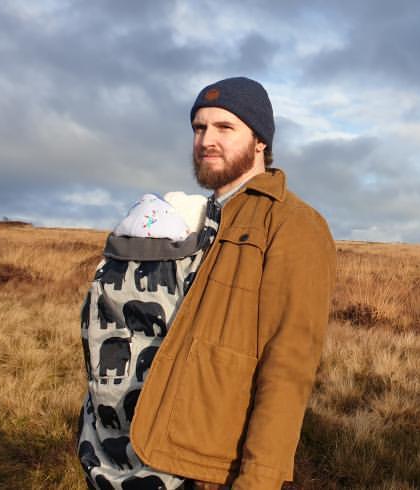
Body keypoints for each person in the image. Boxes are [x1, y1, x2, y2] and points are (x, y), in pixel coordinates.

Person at [77, 77, 336, 490]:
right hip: (133, 451)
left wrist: (260, 479)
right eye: (199, 128)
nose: (206, 140)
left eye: (224, 128)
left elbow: (289, 363)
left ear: (260, 143)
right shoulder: (184, 220)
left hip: (209, 467)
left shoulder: (293, 225)